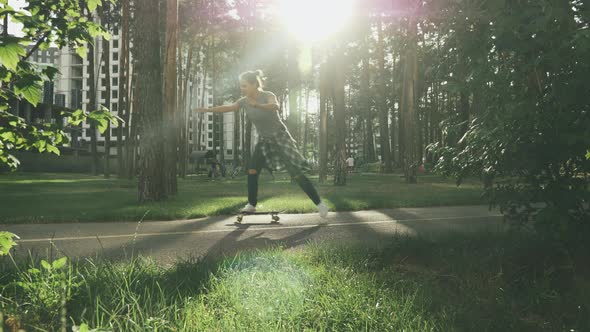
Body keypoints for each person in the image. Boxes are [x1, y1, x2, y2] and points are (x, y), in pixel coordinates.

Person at [196, 70, 329, 218]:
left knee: (296, 173)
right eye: (241, 86)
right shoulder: (243, 101)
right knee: (252, 170)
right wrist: (208, 110)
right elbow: (228, 108)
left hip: (279, 137)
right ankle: (252, 204)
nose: (242, 88)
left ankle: (320, 204)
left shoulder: (268, 95)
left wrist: (258, 105)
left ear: (254, 84)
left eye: (245, 85)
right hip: (264, 140)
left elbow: (275, 106)